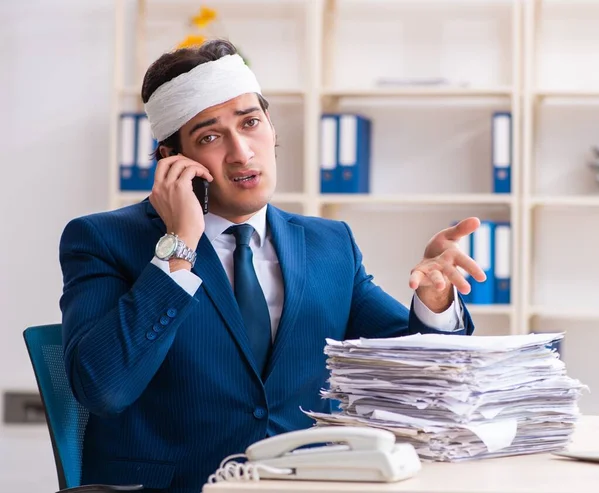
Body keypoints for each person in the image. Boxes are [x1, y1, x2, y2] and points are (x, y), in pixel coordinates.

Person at [58, 39, 485, 493]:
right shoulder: (104, 240)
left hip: (309, 483)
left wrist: (436, 299)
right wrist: (180, 243)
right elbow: (104, 389)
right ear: (172, 161)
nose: (242, 152)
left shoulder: (329, 245)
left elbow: (418, 374)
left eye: (251, 123)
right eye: (210, 137)